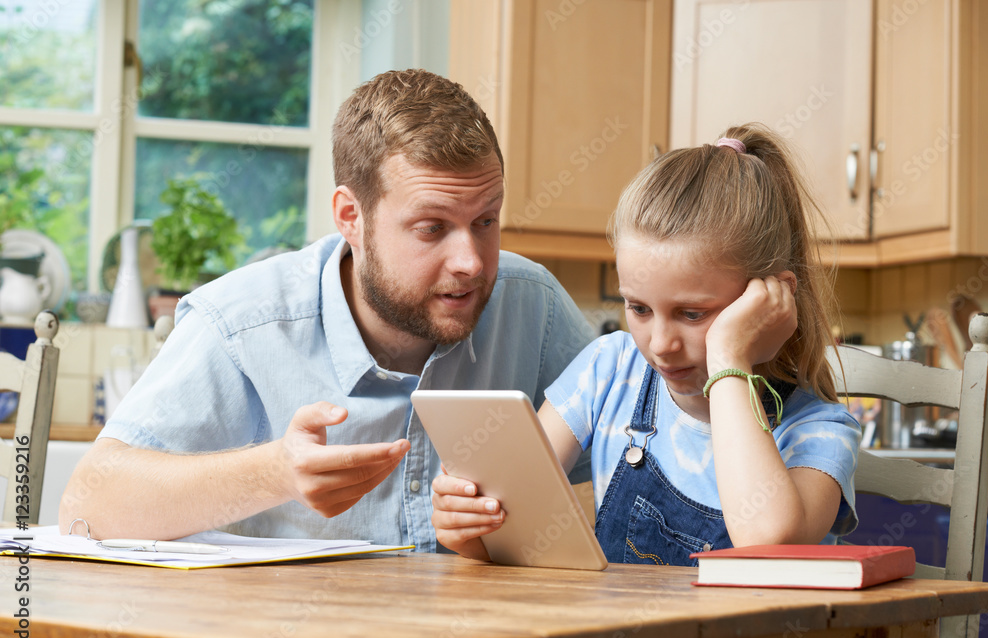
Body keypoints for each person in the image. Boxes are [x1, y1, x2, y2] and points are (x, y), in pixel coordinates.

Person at [59, 69, 594, 550]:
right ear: (349, 217)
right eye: (432, 228)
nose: (472, 263)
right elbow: (88, 506)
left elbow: (634, 472)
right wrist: (275, 473)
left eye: (486, 221)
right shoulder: (242, 323)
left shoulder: (535, 306)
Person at [432, 123, 861, 565]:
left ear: (769, 302)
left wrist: (729, 359)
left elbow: (765, 540)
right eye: (638, 308)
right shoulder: (609, 369)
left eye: (692, 313)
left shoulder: (819, 430)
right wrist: (468, 529)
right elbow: (511, 525)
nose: (660, 344)